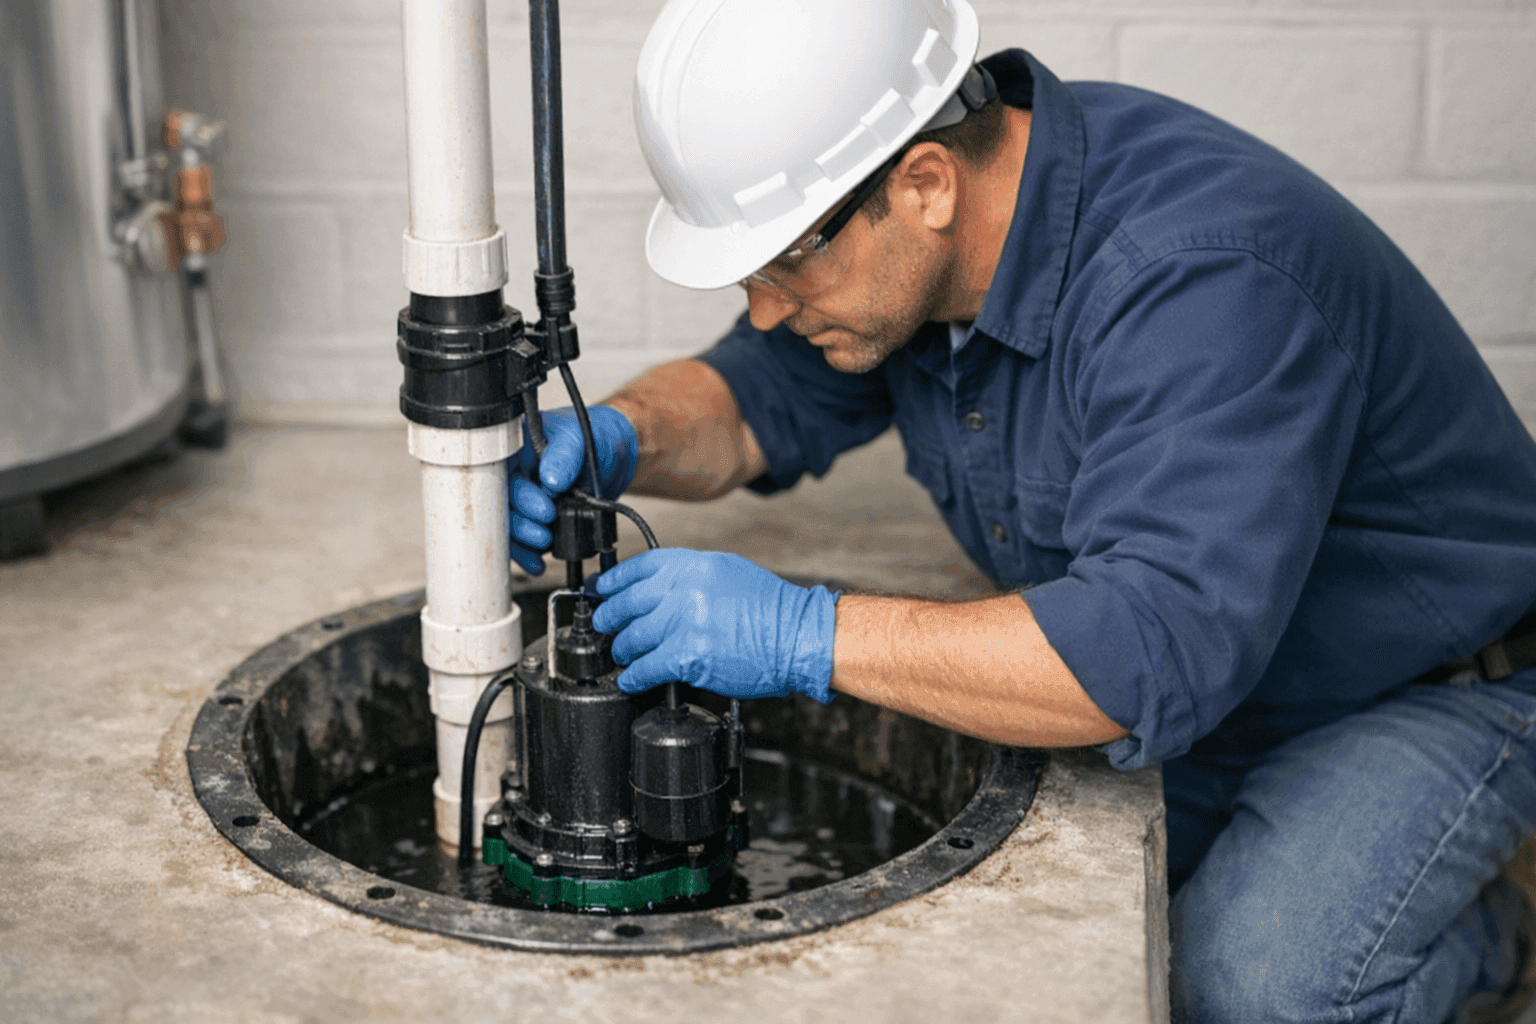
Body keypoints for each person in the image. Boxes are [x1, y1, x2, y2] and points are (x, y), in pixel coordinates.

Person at [507, 1, 1536, 1019]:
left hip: (1427, 683)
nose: (767, 305)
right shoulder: (927, 251)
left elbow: (1140, 655)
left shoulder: (1202, 281)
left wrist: (801, 632)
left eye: (785, 261)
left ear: (924, 185)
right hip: (1225, 676)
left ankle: (1492, 937)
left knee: (1253, 986)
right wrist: (617, 436)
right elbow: (755, 399)